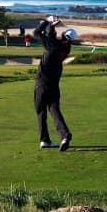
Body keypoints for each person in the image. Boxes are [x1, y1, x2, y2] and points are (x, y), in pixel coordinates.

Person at [33, 16, 74, 152]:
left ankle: (44, 140)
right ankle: (65, 135)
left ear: (63, 35)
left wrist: (48, 21)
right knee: (55, 111)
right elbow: (51, 36)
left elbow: (37, 33)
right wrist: (52, 26)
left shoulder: (52, 46)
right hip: (54, 86)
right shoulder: (66, 49)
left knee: (41, 113)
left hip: (41, 85)